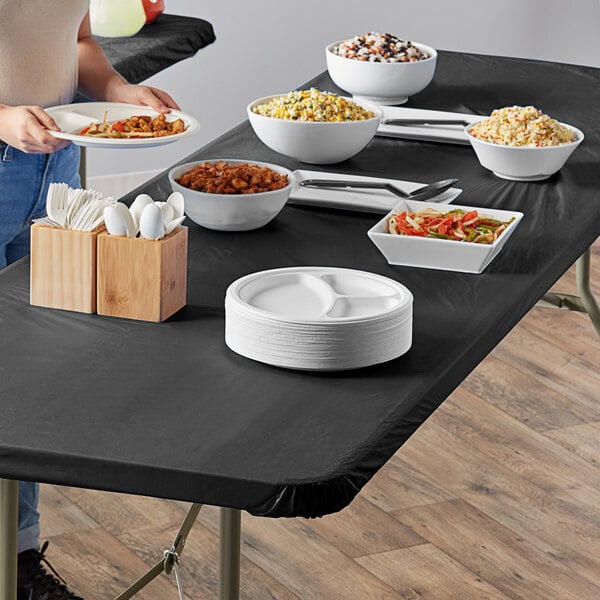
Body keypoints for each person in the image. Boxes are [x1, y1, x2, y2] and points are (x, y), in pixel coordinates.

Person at [0, 2, 179, 598]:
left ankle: (17, 559)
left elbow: (75, 40)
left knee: (26, 371)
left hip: (54, 159)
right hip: (8, 147)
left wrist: (118, 89)